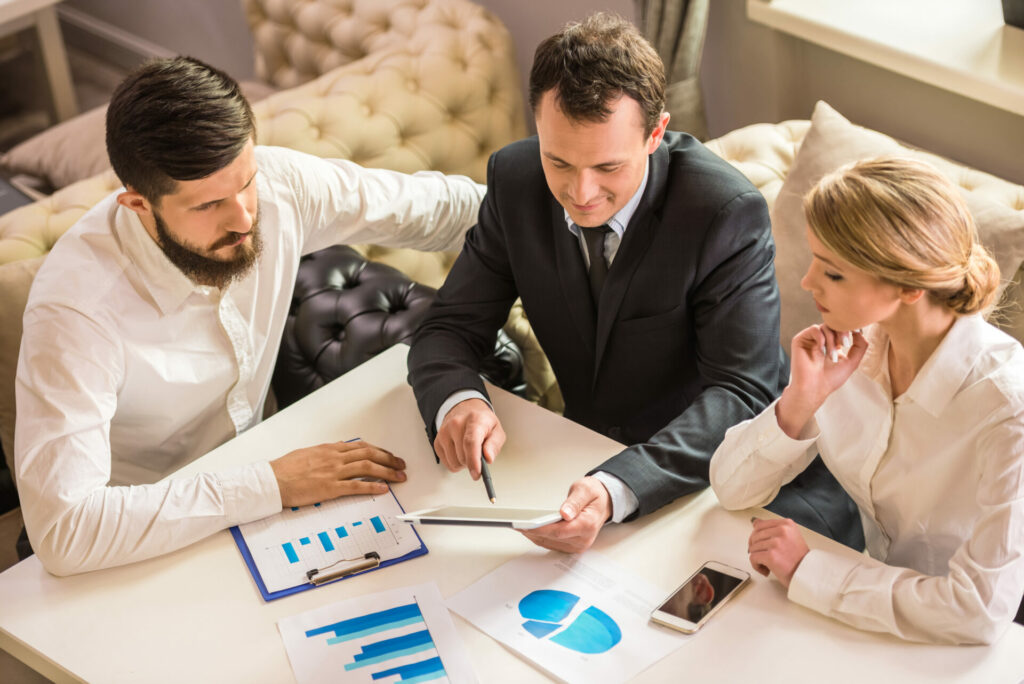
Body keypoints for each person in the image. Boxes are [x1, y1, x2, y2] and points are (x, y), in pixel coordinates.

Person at [14, 56, 486, 576]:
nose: (244, 218)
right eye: (207, 205)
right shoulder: (75, 311)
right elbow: (64, 531)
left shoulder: (279, 187)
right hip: (138, 535)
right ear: (137, 205)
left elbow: (441, 210)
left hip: (267, 486)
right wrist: (272, 483)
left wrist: (573, 205)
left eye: (246, 182)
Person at [407, 13, 859, 554]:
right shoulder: (515, 180)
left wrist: (617, 486)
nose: (581, 192)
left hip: (736, 479)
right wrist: (460, 399)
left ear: (656, 134)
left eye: (607, 167)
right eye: (559, 161)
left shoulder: (723, 212)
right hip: (580, 457)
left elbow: (743, 392)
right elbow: (449, 328)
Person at [710, 157, 1024, 644]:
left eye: (832, 273)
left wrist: (810, 572)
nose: (807, 283)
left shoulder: (1008, 408)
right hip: (877, 619)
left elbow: (978, 611)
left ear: (909, 286)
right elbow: (730, 489)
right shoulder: (852, 352)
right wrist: (800, 401)